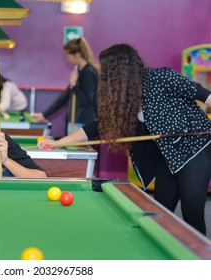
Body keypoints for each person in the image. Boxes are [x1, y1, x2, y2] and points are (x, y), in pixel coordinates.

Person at [38, 44, 211, 235]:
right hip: (168, 155)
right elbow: (98, 125)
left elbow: (204, 95)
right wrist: (59, 142)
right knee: (160, 211)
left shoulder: (159, 77)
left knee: (191, 211)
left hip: (196, 148)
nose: (105, 77)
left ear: (118, 70)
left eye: (107, 70)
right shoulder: (123, 98)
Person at [31, 37, 99, 134]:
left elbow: (87, 101)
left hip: (84, 123)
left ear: (77, 55)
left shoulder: (88, 72)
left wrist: (74, 85)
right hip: (75, 121)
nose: (67, 59)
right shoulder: (79, 72)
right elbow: (65, 96)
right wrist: (44, 115)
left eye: (68, 56)